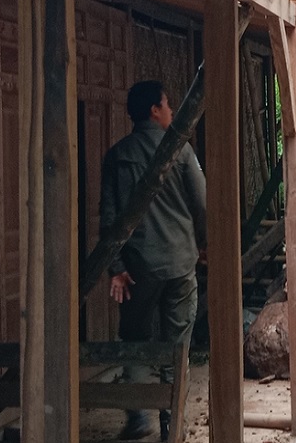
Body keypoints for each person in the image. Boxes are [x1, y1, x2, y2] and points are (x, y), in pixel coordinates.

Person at [100, 80, 206, 441]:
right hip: (179, 262)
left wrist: (116, 268)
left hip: (137, 269)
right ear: (153, 111)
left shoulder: (117, 156)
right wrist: (203, 246)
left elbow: (110, 218)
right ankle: (170, 423)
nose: (172, 111)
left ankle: (138, 416)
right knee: (177, 345)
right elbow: (202, 205)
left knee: (133, 339)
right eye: (167, 105)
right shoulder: (182, 151)